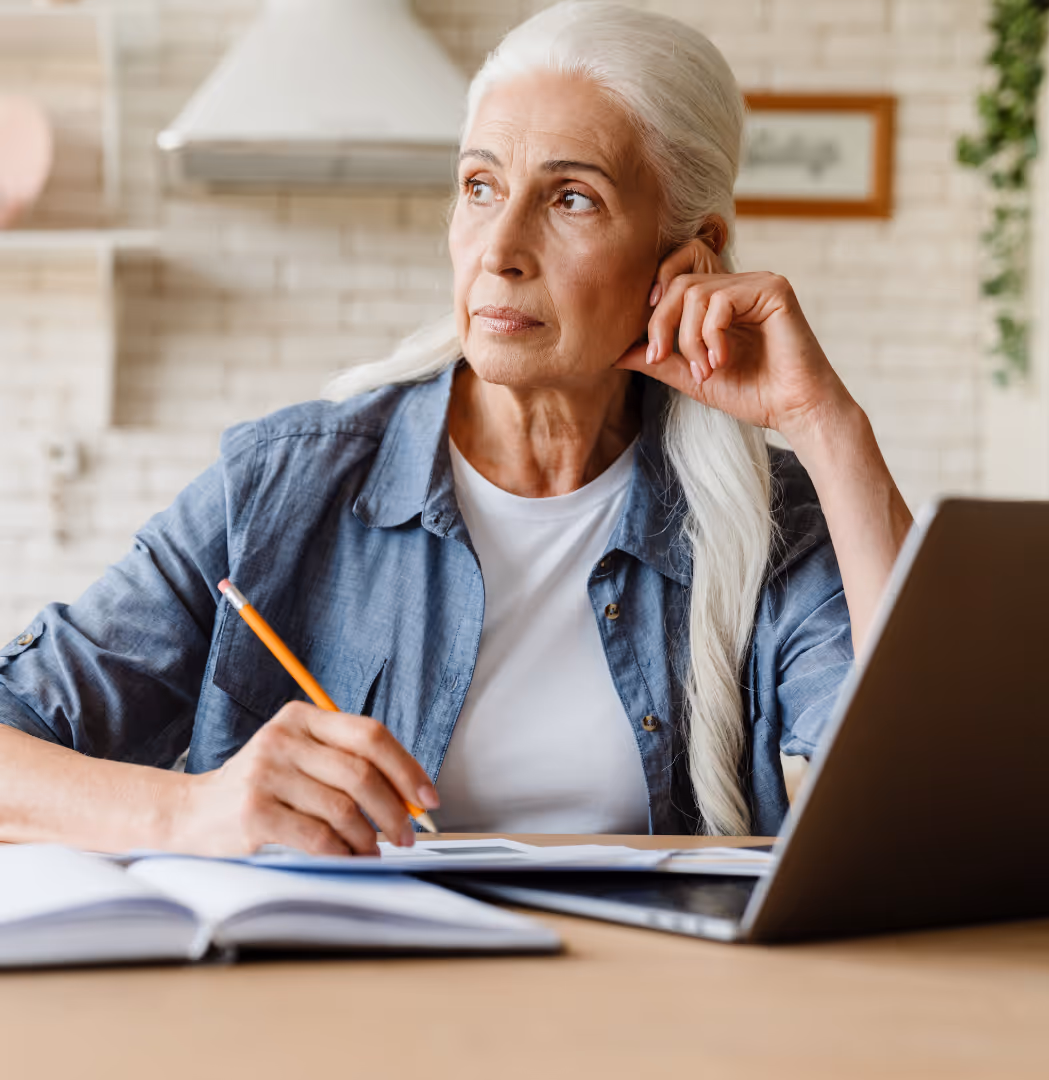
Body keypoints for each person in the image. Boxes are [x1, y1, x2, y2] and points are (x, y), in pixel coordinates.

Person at [0, 2, 912, 855]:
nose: (500, 249)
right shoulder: (282, 486)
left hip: (643, 1018)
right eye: (480, 186)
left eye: (572, 200)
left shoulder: (767, 521)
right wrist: (190, 809)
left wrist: (825, 423)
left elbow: (923, 799)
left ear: (690, 254)